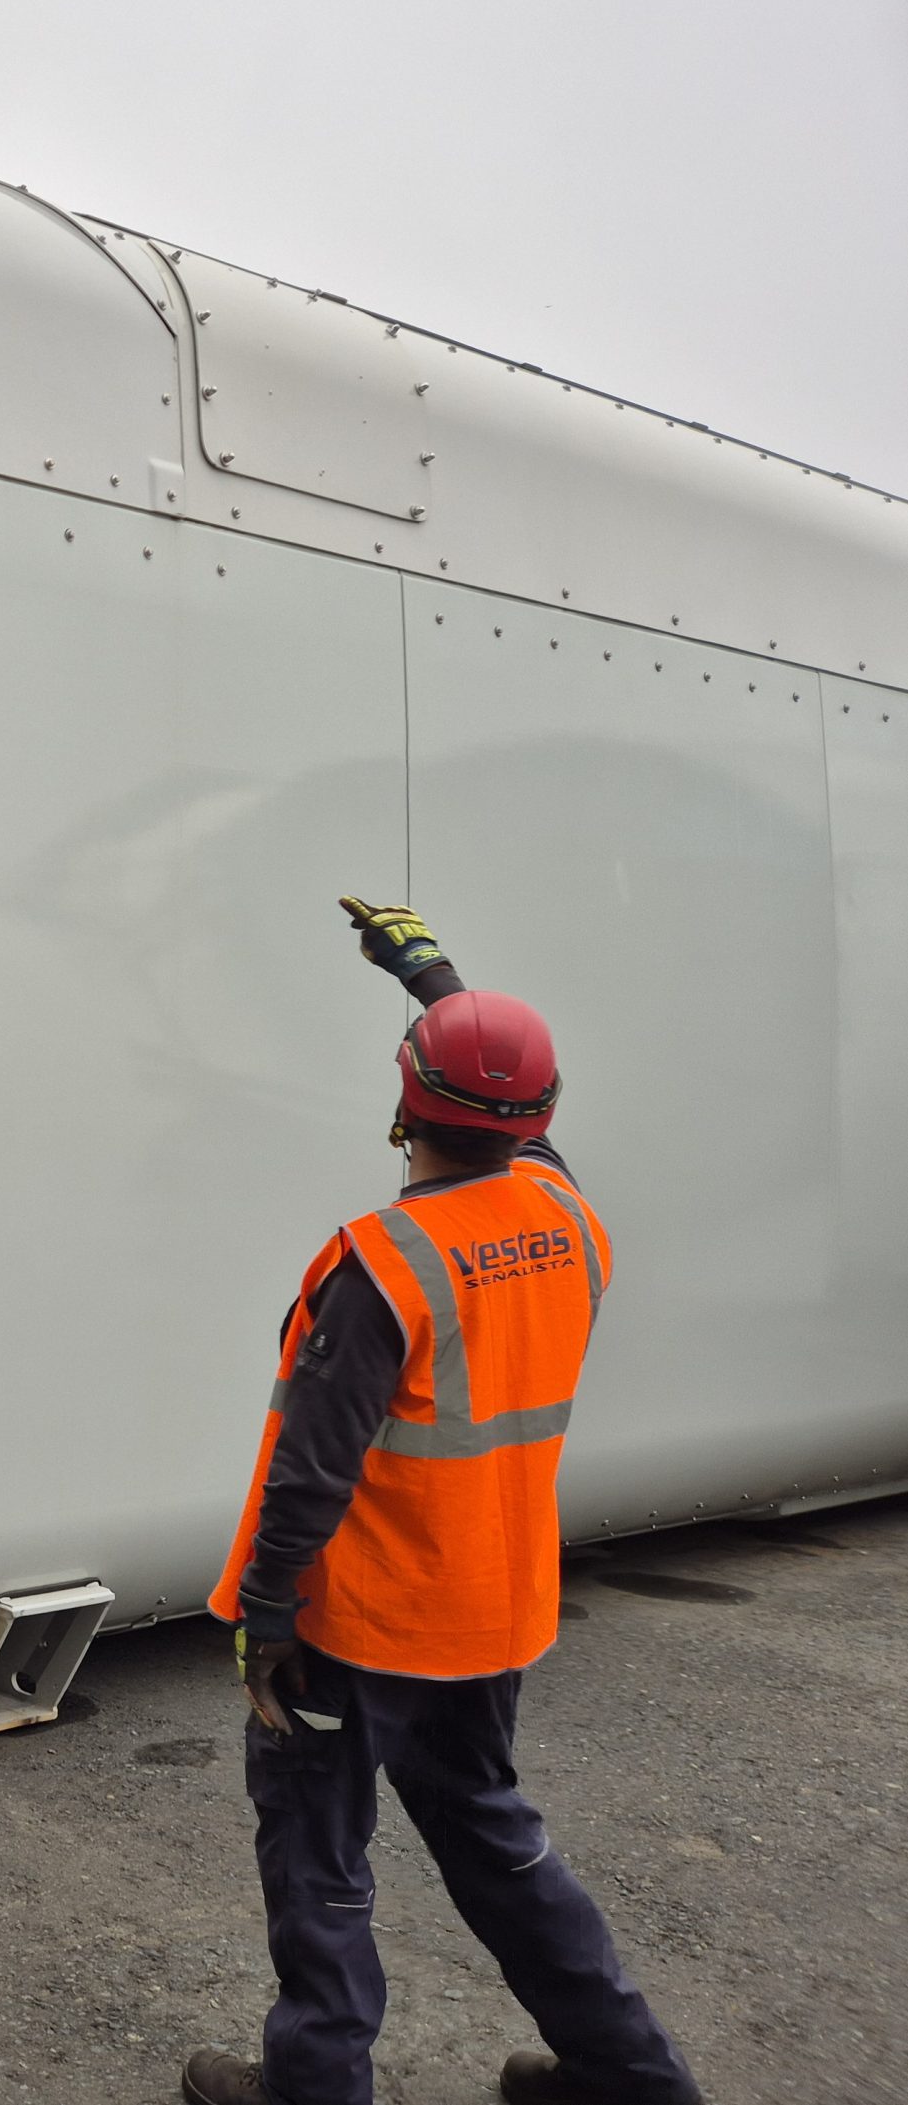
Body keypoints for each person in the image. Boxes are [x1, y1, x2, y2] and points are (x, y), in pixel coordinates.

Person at [183, 901, 699, 2105]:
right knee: (499, 1848)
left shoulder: (381, 1262)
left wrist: (264, 1618)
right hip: (488, 1615)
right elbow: (509, 1110)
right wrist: (433, 976)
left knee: (319, 1857)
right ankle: (628, 2076)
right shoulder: (567, 1217)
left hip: (353, 1629)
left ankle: (314, 2085)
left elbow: (311, 1469)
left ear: (403, 1109)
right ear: (540, 1120)